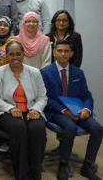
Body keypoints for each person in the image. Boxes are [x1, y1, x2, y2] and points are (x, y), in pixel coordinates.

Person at [41, 40, 102, 180]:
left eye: (66, 51)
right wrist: (64, 111)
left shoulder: (78, 73)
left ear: (71, 53)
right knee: (70, 127)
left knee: (98, 129)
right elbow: (46, 98)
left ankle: (87, 166)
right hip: (56, 111)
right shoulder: (45, 72)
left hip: (78, 111)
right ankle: (62, 165)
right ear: (54, 52)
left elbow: (86, 95)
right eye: (60, 51)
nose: (63, 54)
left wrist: (87, 109)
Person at [0, 41, 47, 180]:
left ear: (23, 54)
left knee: (37, 128)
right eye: (11, 54)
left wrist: (36, 110)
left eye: (18, 54)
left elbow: (42, 97)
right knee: (18, 127)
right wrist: (10, 108)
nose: (15, 57)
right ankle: (21, 175)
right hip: (6, 111)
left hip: (30, 110)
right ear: (6, 56)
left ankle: (35, 174)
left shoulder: (34, 72)